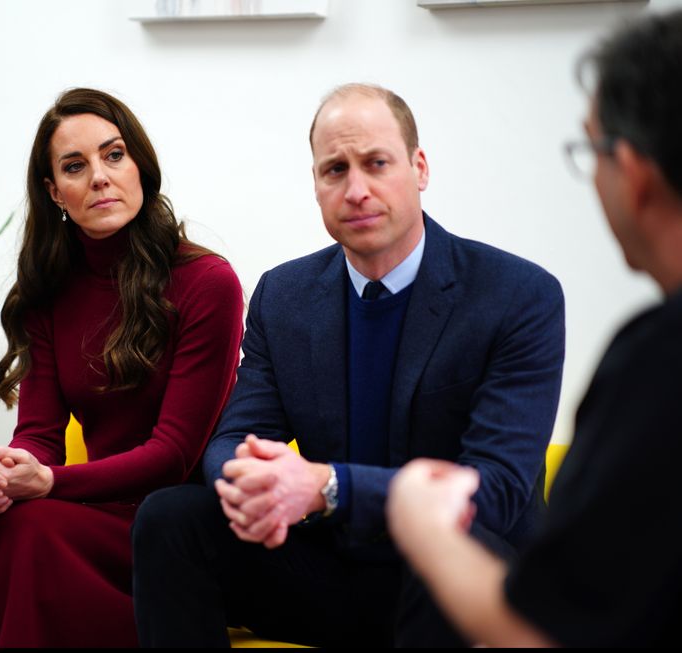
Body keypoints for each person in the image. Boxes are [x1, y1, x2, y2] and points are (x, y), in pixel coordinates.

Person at [132, 83, 566, 647]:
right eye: (335, 170)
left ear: (419, 168)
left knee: (447, 541)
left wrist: (327, 487)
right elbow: (235, 436)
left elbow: (497, 491)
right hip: (333, 568)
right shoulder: (284, 296)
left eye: (376, 163)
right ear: (315, 184)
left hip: (463, 577)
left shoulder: (517, 295)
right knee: (170, 518)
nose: (357, 190)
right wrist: (253, 483)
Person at [386, 10, 682, 647]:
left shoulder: (654, 361)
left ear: (632, 173)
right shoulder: (287, 291)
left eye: (591, 151)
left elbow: (545, 630)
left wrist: (424, 526)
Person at [0, 88, 244, 648]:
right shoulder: (49, 291)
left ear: (140, 165)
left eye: (114, 155)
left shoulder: (208, 282)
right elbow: (40, 435)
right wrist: (3, 471)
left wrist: (48, 482)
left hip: (172, 522)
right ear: (55, 192)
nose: (100, 177)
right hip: (93, 506)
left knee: (35, 527)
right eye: (75, 166)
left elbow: (173, 454)